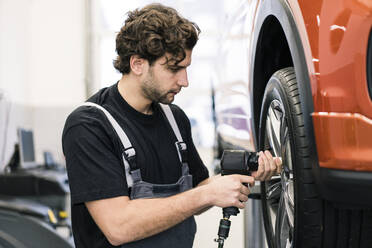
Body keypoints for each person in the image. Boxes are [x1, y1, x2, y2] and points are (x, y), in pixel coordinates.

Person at [62, 3, 282, 248]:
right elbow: (118, 227)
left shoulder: (175, 119)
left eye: (186, 68)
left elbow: (198, 188)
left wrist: (235, 179)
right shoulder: (89, 126)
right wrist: (207, 194)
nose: (184, 81)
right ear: (137, 64)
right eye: (174, 69)